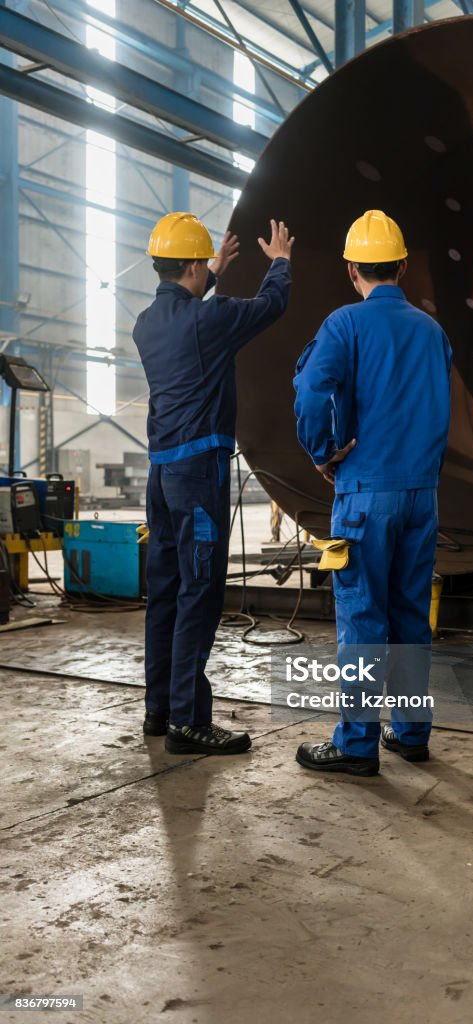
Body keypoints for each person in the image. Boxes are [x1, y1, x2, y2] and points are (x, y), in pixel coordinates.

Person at [292, 210, 452, 777]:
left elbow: (313, 390)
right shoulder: (433, 331)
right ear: (403, 266)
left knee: (362, 619)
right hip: (421, 497)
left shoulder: (344, 325)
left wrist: (322, 451)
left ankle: (357, 746)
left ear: (351, 269)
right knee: (410, 616)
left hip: (365, 495)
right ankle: (410, 734)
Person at [133, 212, 294, 755]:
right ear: (196, 265)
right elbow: (271, 306)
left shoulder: (146, 323)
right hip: (199, 475)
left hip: (162, 476)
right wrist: (281, 265)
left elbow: (190, 319)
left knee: (167, 591)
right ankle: (188, 721)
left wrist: (213, 274)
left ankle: (159, 708)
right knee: (200, 592)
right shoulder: (213, 318)